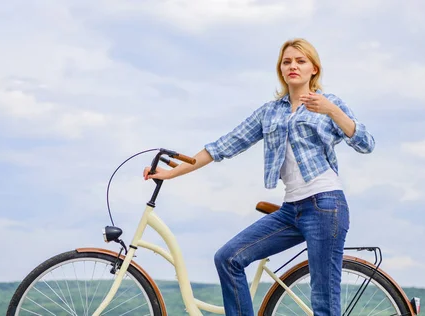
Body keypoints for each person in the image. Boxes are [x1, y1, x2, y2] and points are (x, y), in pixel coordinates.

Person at [143, 38, 375, 316]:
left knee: (324, 301)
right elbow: (225, 145)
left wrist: (332, 111)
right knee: (228, 258)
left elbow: (366, 143)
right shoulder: (270, 112)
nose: (293, 66)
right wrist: (171, 173)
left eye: (300, 61)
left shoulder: (329, 104)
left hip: (326, 206)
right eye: (287, 61)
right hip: (292, 210)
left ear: (314, 68)